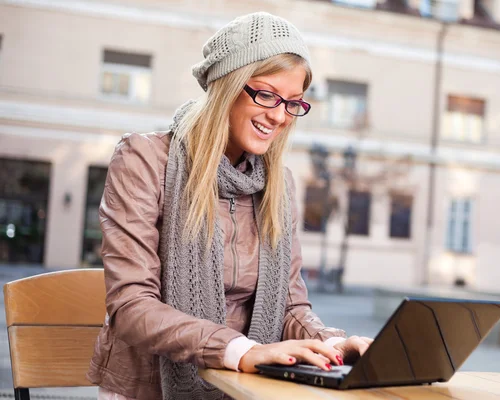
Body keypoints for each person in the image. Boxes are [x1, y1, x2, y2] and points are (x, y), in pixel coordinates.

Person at [87, 12, 372, 400]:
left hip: (248, 388)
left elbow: (289, 305)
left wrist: (332, 345)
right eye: (267, 94)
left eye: (293, 103)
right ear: (228, 86)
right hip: (147, 389)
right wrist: (243, 352)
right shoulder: (145, 160)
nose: (278, 116)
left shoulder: (279, 184)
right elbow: (132, 306)